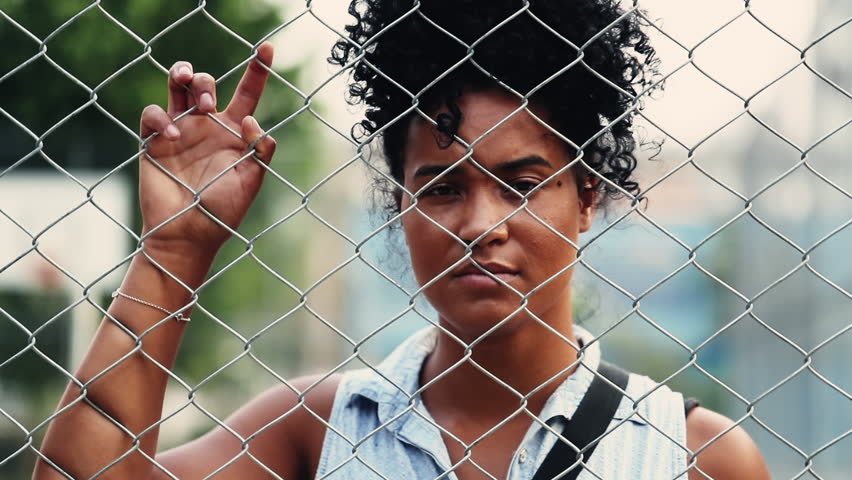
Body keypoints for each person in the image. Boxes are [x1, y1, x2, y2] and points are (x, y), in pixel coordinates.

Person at [34, 1, 770, 479]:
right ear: (400, 207)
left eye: (520, 183)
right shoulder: (316, 430)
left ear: (585, 198)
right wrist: (174, 252)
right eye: (443, 188)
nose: (480, 225)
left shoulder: (692, 454)